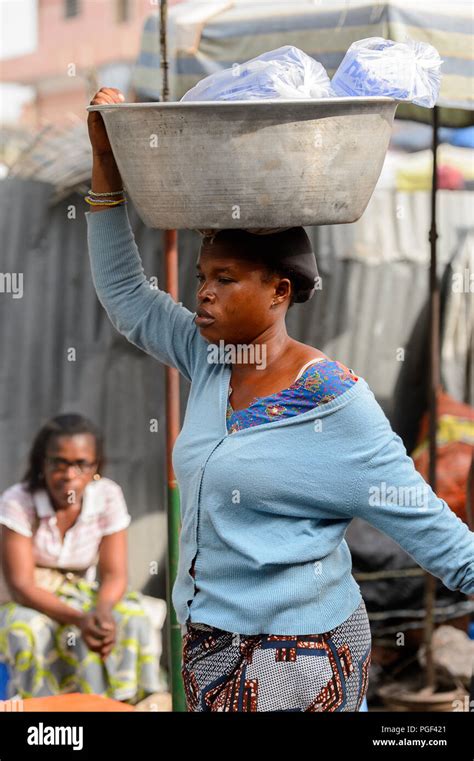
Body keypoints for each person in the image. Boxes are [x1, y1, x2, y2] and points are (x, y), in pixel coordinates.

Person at [85, 87, 474, 712]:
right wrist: (107, 169)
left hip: (304, 657)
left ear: (279, 291)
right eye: (202, 278)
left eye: (225, 279)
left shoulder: (335, 404)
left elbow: (439, 536)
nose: (204, 294)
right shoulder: (210, 359)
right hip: (213, 648)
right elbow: (128, 297)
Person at [0, 413, 159, 702]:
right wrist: (79, 619)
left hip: (86, 594)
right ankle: (44, 710)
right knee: (27, 629)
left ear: (95, 466)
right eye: (59, 463)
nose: (69, 474)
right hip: (32, 598)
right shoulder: (18, 501)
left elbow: (114, 574)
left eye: (80, 464)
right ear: (41, 463)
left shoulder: (107, 496)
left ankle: (122, 702)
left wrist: (102, 612)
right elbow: (21, 585)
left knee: (132, 618)